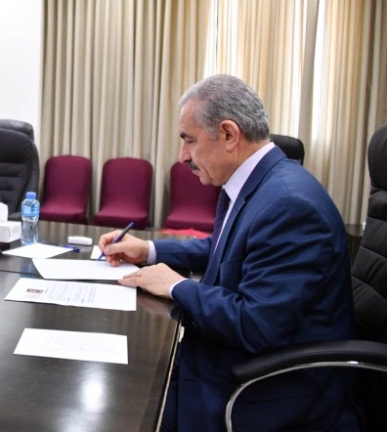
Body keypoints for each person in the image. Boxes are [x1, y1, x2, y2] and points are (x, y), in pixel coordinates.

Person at [99, 74, 361, 431]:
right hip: (238, 358)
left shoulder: (290, 206)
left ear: (228, 134)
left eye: (189, 140)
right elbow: (223, 250)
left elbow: (256, 324)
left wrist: (177, 286)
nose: (183, 156)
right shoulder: (256, 182)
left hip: (271, 389)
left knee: (126, 399)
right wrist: (148, 249)